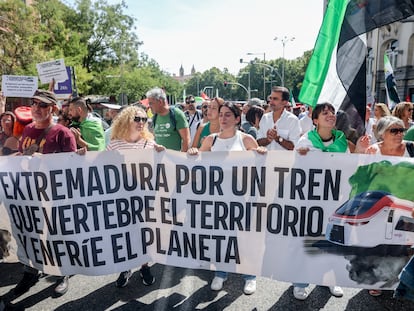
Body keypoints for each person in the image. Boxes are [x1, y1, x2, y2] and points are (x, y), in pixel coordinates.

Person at [187, 101, 267, 295]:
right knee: (222, 238)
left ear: (237, 119)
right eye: (221, 114)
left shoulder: (247, 140)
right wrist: (193, 153)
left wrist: (262, 154)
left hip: (243, 198)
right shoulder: (210, 140)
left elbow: (260, 169)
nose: (223, 118)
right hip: (218, 199)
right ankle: (221, 273)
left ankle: (249, 276)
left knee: (245, 238)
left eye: (228, 115)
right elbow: (196, 167)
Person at [14, 89, 77, 296]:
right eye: (34, 103)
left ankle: (62, 273)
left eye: (42, 105)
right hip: (29, 195)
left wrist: (45, 161)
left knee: (56, 236)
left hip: (55, 196)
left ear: (52, 109)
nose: (36, 108)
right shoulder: (28, 129)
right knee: (31, 234)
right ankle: (31, 272)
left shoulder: (63, 133)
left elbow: (73, 167)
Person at [294, 102, 354, 300]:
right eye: (325, 113)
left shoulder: (342, 141)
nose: (330, 115)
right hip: (311, 202)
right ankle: (301, 281)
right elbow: (295, 171)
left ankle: (329, 280)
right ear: (315, 120)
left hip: (335, 200)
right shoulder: (305, 142)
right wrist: (299, 158)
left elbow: (349, 168)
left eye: (332, 112)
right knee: (309, 241)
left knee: (332, 241)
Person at [107, 105, 164, 288]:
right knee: (125, 233)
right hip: (122, 197)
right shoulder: (114, 144)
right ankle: (126, 267)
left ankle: (144, 266)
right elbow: (102, 168)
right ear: (126, 121)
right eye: (137, 119)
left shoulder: (150, 143)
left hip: (145, 197)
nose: (141, 123)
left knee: (145, 232)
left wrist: (162, 155)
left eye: (144, 119)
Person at [365, 115, 414, 296]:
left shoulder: (411, 148)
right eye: (394, 130)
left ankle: (401, 280)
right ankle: (377, 281)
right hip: (381, 204)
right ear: (381, 133)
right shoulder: (372, 151)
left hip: (408, 204)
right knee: (380, 242)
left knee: (404, 243)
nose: (399, 134)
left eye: (401, 130)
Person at [257, 86, 301, 150]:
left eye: (275, 99)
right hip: (265, 159)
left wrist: (278, 138)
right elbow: (258, 143)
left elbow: (294, 146)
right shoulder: (265, 118)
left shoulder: (292, 120)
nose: (271, 102)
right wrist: (267, 139)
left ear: (284, 102)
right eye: (270, 98)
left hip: (285, 160)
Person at [147, 87, 190, 151]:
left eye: (151, 103)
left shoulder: (177, 114)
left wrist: (182, 159)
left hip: (175, 159)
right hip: (160, 160)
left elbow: (186, 140)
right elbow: (154, 138)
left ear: (160, 102)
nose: (149, 106)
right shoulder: (155, 117)